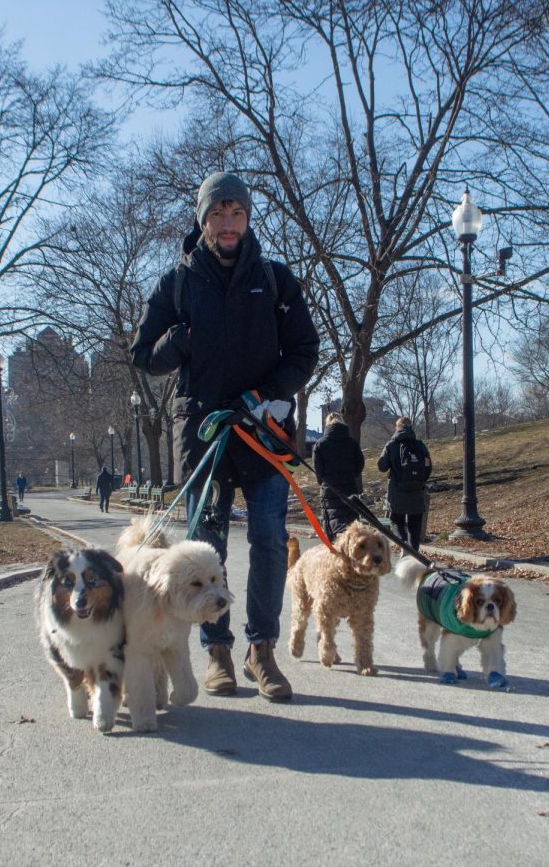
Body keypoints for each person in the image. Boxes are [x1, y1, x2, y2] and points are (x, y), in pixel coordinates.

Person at [131, 171, 320, 702]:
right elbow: (144, 356)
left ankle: (261, 650)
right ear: (202, 219)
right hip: (203, 436)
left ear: (248, 218)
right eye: (218, 214)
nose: (228, 224)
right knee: (204, 548)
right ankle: (216, 652)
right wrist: (178, 340)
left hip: (263, 431)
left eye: (237, 214)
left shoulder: (277, 280)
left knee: (265, 541)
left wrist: (263, 395)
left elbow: (305, 350)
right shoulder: (176, 283)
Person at [377, 416, 432, 553]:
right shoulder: (420, 445)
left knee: (396, 521)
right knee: (415, 524)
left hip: (397, 491)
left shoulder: (391, 444)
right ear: (410, 427)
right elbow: (428, 466)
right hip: (416, 491)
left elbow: (382, 466)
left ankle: (403, 545)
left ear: (398, 427)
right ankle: (414, 552)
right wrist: (420, 480)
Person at [313, 412, 365, 538]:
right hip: (349, 488)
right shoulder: (352, 443)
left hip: (330, 490)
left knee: (331, 525)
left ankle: (332, 551)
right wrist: (353, 475)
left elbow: (317, 468)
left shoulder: (320, 444)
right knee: (351, 527)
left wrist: (322, 481)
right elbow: (360, 463)